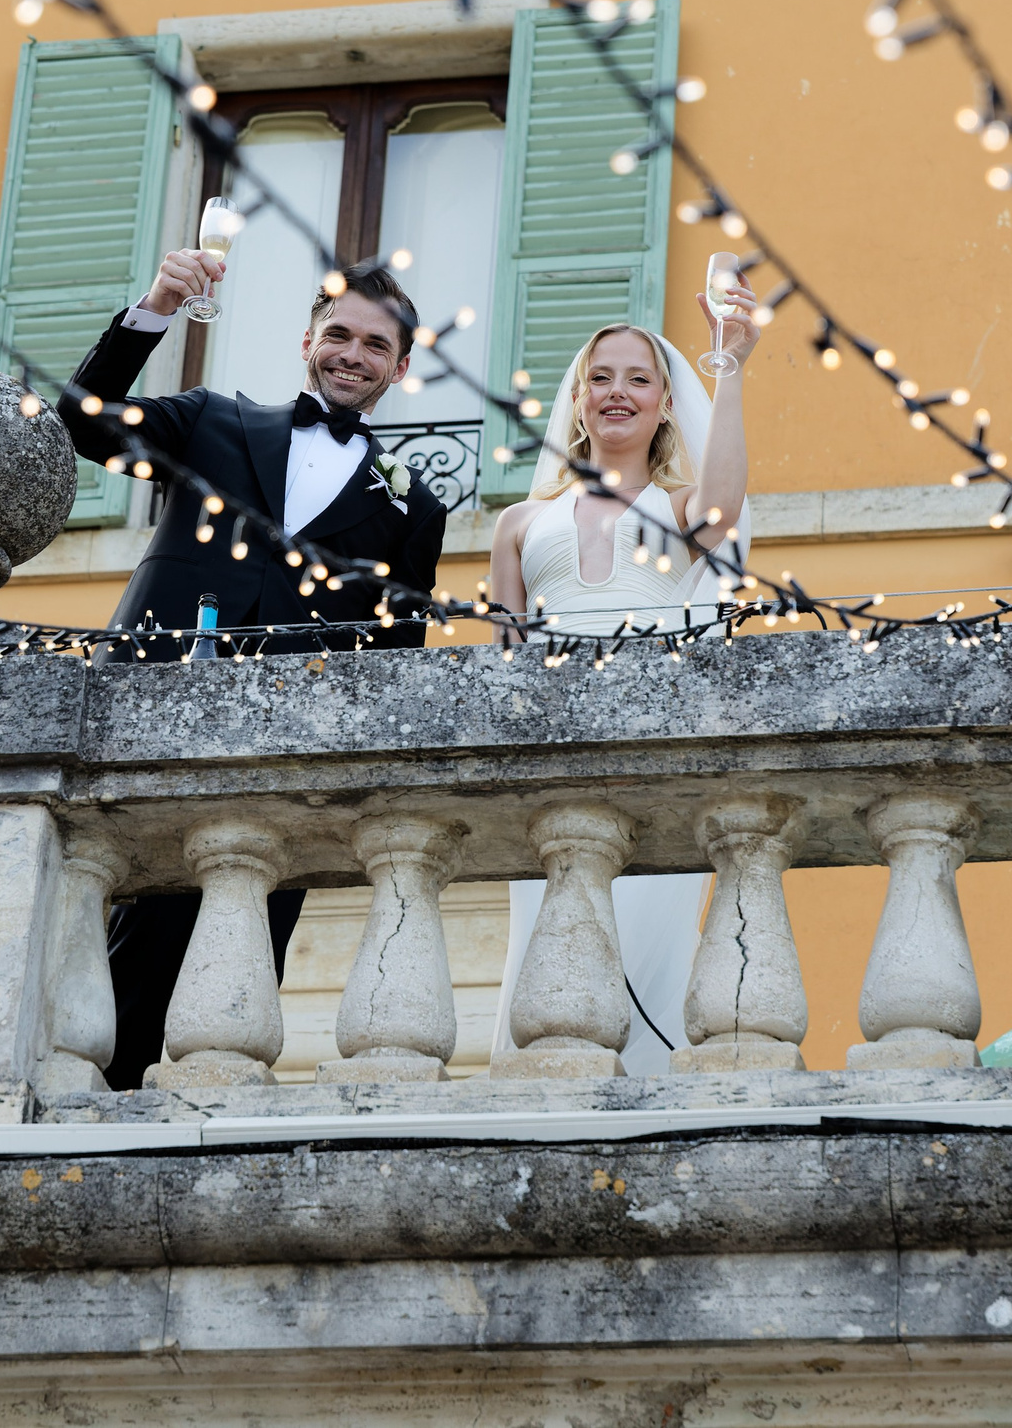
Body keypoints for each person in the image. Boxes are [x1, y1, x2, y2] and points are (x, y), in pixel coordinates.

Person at [58, 247, 451, 1088]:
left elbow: (395, 665)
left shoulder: (415, 506)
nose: (352, 354)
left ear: (400, 368)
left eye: (375, 345)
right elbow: (83, 421)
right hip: (152, 722)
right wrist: (157, 306)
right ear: (307, 341)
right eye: (338, 334)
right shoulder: (214, 420)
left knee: (234, 992)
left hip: (288, 768)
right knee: (100, 964)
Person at [483, 271, 759, 1074]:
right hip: (551, 762)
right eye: (600, 377)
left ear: (664, 404)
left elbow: (724, 504)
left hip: (651, 758)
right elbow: (503, 663)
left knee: (648, 943)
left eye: (638, 379)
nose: (617, 392)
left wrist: (730, 365)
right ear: (578, 400)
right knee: (549, 947)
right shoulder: (518, 525)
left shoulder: (678, 509)